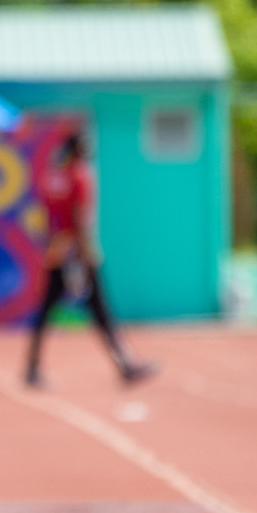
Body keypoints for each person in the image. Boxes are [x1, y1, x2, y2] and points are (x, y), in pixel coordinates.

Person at [25, 131, 155, 387]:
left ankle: (32, 367)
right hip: (77, 253)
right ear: (78, 150)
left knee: (48, 310)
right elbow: (79, 217)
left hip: (56, 252)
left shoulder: (53, 178)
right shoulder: (80, 177)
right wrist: (85, 252)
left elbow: (45, 217)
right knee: (99, 310)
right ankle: (125, 365)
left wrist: (53, 245)